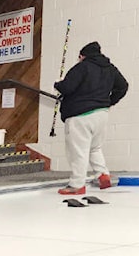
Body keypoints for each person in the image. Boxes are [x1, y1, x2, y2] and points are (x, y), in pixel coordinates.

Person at [53, 41, 128, 195]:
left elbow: (67, 88)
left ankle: (77, 184)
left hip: (80, 115)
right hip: (101, 114)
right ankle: (102, 175)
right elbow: (123, 86)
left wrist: (58, 84)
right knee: (95, 148)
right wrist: (109, 102)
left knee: (78, 151)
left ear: (82, 55)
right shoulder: (110, 68)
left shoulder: (82, 67)